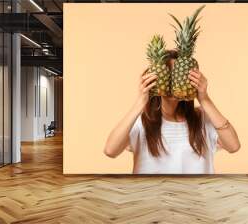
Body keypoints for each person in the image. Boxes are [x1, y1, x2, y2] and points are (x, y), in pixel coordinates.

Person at [103, 50, 240, 174]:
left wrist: (204, 98)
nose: (173, 80)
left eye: (178, 74)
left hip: (196, 200)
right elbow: (110, 150)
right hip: (151, 200)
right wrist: (141, 101)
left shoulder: (203, 118)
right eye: (167, 74)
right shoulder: (142, 121)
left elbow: (233, 146)